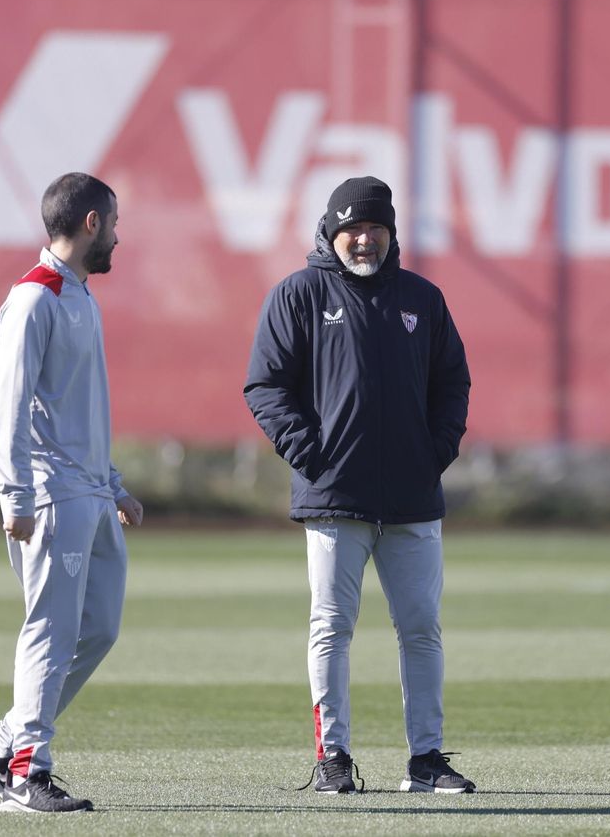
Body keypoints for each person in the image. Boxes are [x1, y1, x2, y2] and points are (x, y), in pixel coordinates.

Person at [245, 175, 475, 794]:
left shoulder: (423, 298)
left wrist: (434, 453)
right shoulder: (298, 294)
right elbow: (265, 385)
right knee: (331, 627)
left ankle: (426, 761)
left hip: (411, 499)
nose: (364, 239)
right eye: (352, 228)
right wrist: (309, 454)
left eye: (375, 228)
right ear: (330, 231)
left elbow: (453, 382)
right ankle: (333, 759)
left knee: (421, 629)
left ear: (392, 234)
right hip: (334, 498)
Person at [0, 172, 144, 814]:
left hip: (91, 492)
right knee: (51, 629)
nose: (117, 235)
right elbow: (7, 408)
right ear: (92, 223)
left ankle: (2, 744)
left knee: (99, 628)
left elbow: (83, 409)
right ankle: (26, 774)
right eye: (113, 223)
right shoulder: (33, 299)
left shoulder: (81, 297)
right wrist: (14, 498)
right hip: (51, 495)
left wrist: (114, 484)